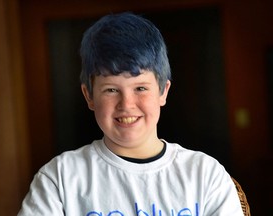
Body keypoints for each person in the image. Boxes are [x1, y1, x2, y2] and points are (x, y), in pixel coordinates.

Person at [18, 12, 243, 215]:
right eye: (111, 90)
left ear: (163, 91)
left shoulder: (205, 174)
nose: (126, 104)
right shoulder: (59, 178)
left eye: (140, 88)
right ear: (89, 96)